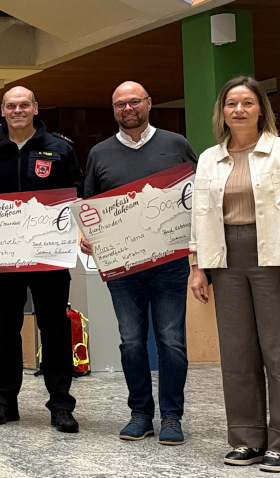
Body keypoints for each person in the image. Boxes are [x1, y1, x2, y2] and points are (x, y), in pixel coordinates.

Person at [188, 76, 280, 473]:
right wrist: (198, 267)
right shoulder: (210, 158)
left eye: (247, 103)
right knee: (237, 355)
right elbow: (200, 215)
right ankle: (247, 439)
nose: (239, 110)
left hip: (274, 256)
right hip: (225, 257)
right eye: (231, 104)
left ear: (261, 108)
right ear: (222, 112)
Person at [80, 81, 196, 445]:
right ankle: (140, 414)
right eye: (119, 104)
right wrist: (88, 235)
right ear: (113, 110)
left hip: (170, 264)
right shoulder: (99, 153)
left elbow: (197, 195)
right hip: (124, 268)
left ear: (149, 103)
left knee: (171, 340)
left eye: (134, 101)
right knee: (131, 341)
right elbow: (89, 205)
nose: (127, 108)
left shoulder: (176, 144)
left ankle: (172, 418)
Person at [0, 86, 82, 433]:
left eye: (23, 105)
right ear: (2, 110)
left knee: (55, 329)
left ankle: (61, 404)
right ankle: (4, 401)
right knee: (6, 329)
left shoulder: (60, 149)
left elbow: (77, 197)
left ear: (35, 108)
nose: (17, 110)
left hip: (48, 256)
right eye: (11, 105)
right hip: (3, 259)